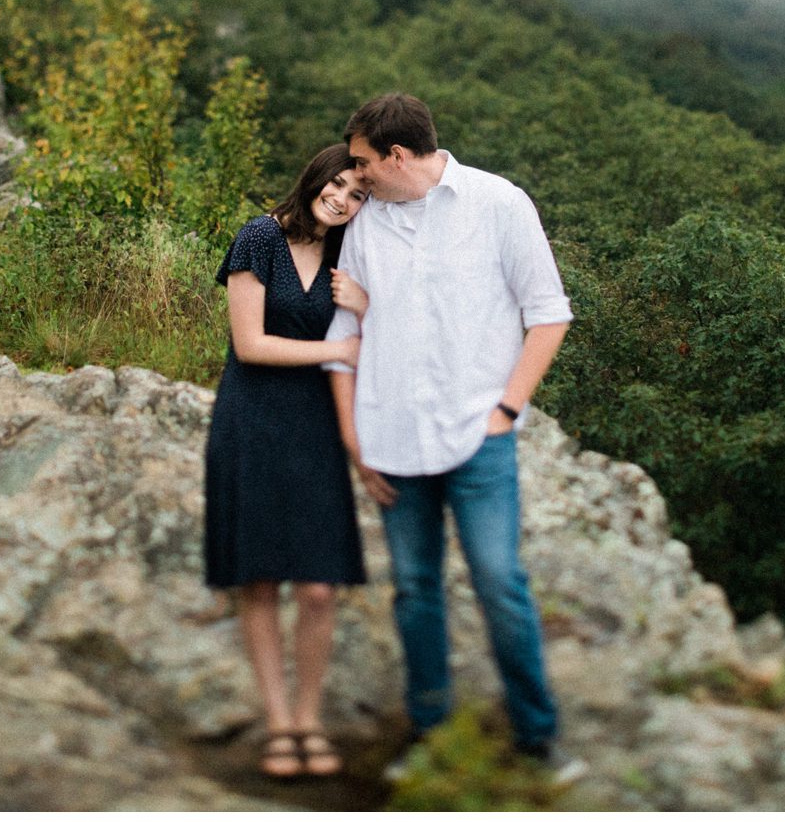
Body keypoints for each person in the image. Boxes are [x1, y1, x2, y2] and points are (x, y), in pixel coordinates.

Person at [322, 93, 584, 785]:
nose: (356, 175)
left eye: (361, 161)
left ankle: (538, 738)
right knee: (414, 588)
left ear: (397, 156)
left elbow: (548, 314)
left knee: (500, 582)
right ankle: (431, 733)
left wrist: (506, 409)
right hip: (391, 440)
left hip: (479, 435)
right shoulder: (366, 227)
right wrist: (355, 445)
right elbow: (344, 338)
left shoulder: (499, 204)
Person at [204, 143, 374, 780]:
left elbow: (381, 333)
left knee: (319, 587)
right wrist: (347, 351)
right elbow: (249, 345)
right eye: (338, 183)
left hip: (319, 425)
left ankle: (309, 717)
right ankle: (279, 722)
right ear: (317, 175)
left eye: (358, 194)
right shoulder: (258, 237)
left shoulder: (346, 256)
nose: (342, 198)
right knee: (260, 578)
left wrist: (363, 308)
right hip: (251, 418)